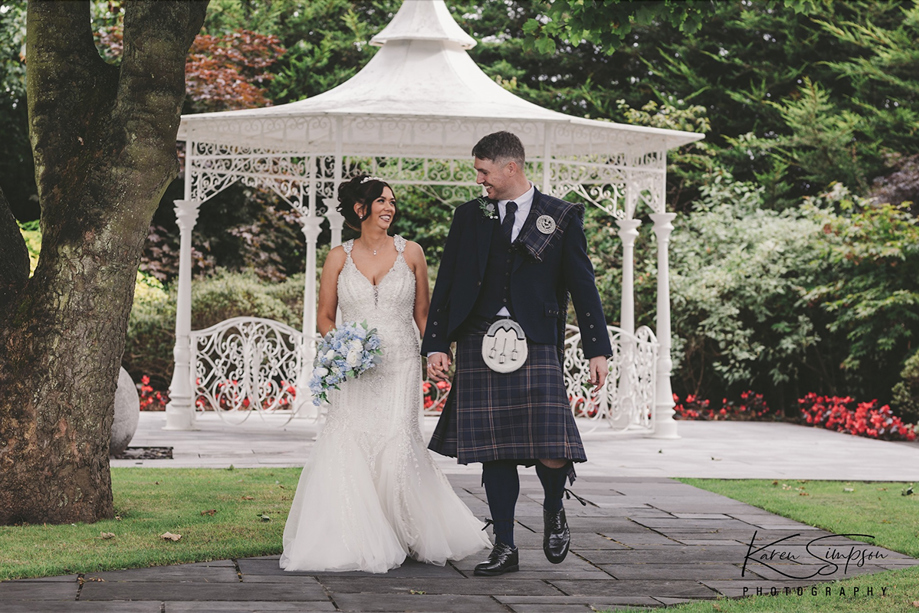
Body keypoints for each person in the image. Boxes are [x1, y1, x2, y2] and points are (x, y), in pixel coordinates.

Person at [422, 131, 612, 576]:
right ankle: (505, 546)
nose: (479, 181)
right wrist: (435, 342)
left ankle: (552, 509)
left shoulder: (560, 216)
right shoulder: (471, 216)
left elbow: (583, 284)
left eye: (484, 172)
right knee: (495, 451)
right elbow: (447, 279)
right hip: (479, 339)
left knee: (552, 444)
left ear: (511, 168)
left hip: (537, 341)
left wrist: (596, 349)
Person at [281, 175, 491, 573]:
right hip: (353, 368)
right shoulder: (337, 257)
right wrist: (345, 347)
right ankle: (355, 535)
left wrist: (437, 350)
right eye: (381, 201)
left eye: (392, 201)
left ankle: (402, 532)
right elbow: (325, 317)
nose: (389, 208)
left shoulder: (412, 253)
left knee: (397, 442)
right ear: (361, 209)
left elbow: (424, 315)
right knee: (350, 443)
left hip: (400, 363)